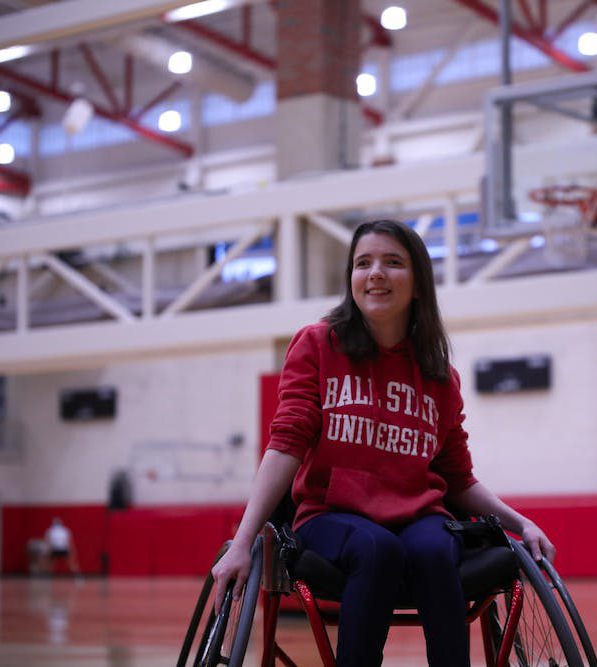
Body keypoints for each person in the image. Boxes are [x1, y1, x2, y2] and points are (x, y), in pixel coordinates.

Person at [212, 219, 555, 667]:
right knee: (378, 549)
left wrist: (520, 521)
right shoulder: (317, 344)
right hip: (331, 517)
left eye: (392, 262)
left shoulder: (439, 377)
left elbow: (457, 479)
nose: (375, 272)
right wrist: (242, 540)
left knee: (434, 550)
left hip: (420, 519)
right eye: (363, 263)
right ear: (351, 279)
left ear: (417, 285)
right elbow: (286, 444)